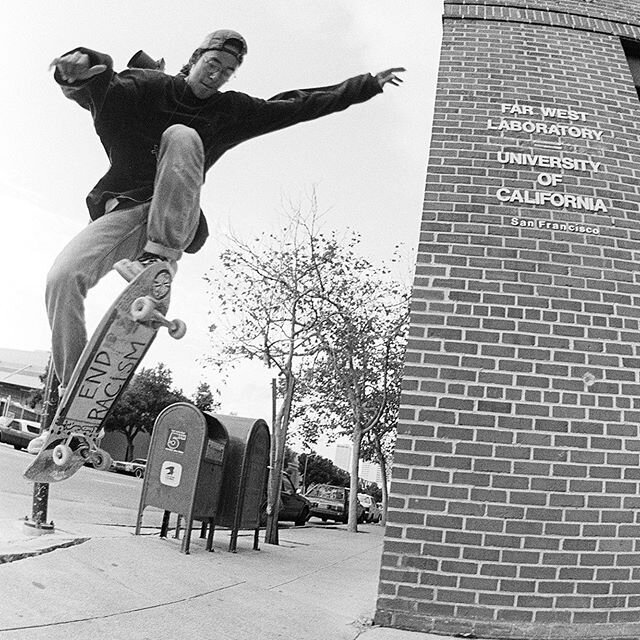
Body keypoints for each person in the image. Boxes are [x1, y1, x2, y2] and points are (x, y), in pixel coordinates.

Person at [30, 29, 404, 451]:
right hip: (128, 210)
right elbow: (103, 89)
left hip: (174, 219)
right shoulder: (150, 86)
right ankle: (77, 403)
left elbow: (295, 105)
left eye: (227, 71)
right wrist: (79, 68)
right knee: (61, 278)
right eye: (213, 65)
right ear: (196, 58)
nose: (217, 76)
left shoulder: (230, 111)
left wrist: (365, 85)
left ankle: (157, 261)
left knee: (184, 136)